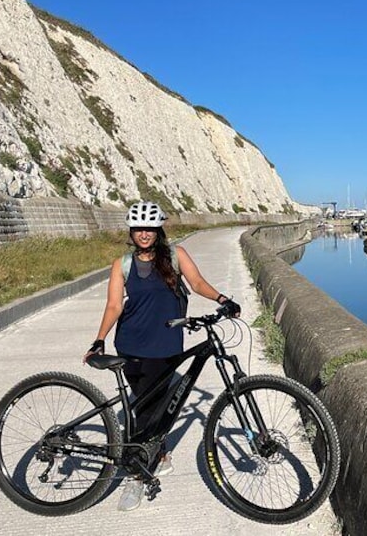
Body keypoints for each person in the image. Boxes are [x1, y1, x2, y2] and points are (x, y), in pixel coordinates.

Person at [83, 201, 240, 512]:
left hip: (167, 345)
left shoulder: (175, 256)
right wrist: (99, 340)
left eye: (149, 229)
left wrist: (223, 298)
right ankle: (136, 476)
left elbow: (196, 284)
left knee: (160, 406)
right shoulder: (123, 264)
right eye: (139, 229)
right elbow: (114, 305)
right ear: (131, 231)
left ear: (158, 231)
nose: (144, 234)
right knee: (145, 411)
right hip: (132, 345)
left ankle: (159, 453)